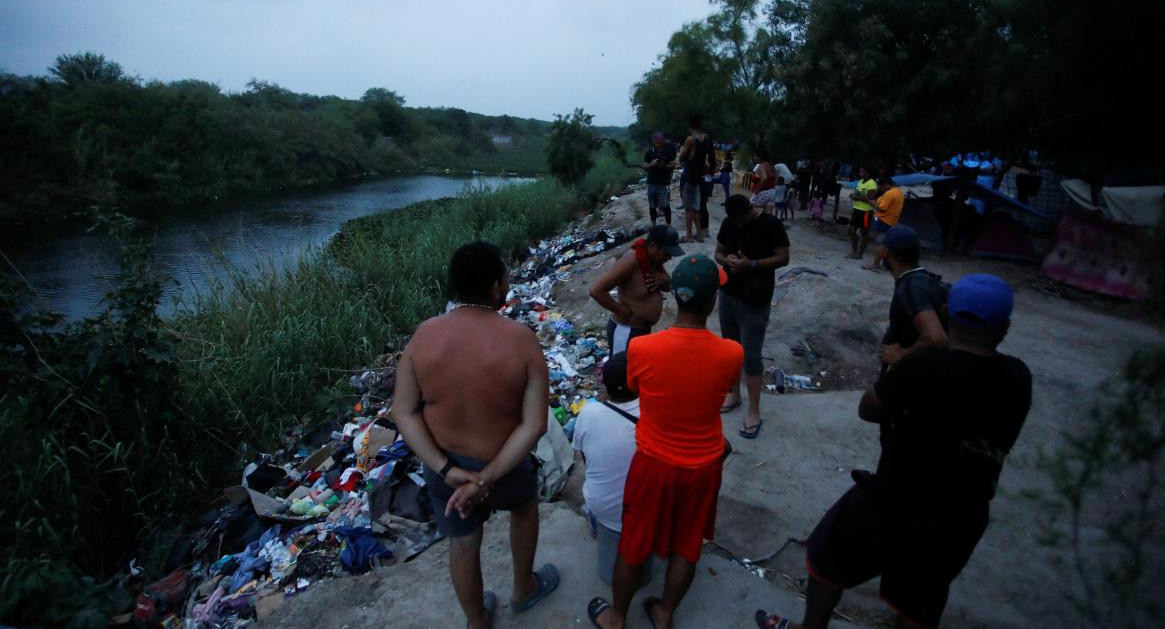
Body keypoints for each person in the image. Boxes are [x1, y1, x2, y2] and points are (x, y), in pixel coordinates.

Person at [755, 274, 1032, 629]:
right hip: (962, 514)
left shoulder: (923, 367)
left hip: (896, 498)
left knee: (827, 554)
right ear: (1005, 326)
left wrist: (901, 361)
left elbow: (868, 409)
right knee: (919, 599)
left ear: (947, 312)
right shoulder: (1016, 376)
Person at [392, 241, 559, 629]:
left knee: (463, 541)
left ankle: (477, 621)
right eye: (506, 276)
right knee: (523, 508)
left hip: (445, 468)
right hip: (504, 466)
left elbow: (403, 411)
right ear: (495, 287)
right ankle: (523, 589)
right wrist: (486, 478)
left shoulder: (424, 335)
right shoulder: (520, 340)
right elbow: (534, 426)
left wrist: (448, 469)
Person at [587, 254, 744, 629]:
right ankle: (664, 612)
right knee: (687, 546)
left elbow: (637, 391)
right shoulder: (732, 353)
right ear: (711, 302)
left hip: (654, 464)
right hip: (704, 466)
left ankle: (617, 618)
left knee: (635, 542)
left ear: (677, 299)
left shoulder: (642, 350)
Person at [571, 352, 654, 586]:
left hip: (604, 506)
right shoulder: (657, 411)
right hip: (651, 509)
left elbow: (586, 459)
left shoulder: (589, 413)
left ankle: (598, 524)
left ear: (605, 387)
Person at [714, 194, 791, 438]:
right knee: (730, 350)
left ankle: (754, 411)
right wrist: (728, 260)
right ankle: (734, 394)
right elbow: (717, 253)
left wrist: (753, 265)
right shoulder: (730, 223)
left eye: (740, 220)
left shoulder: (770, 224)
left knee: (752, 356)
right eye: (733, 221)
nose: (737, 225)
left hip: (755, 299)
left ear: (750, 210)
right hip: (728, 294)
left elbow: (783, 256)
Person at [589, 225, 684, 354]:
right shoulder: (631, 260)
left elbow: (668, 287)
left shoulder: (654, 261)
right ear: (654, 246)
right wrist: (620, 310)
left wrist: (665, 280)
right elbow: (596, 290)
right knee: (621, 372)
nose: (669, 258)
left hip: (642, 331)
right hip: (625, 330)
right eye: (667, 253)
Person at [876, 226, 948, 371]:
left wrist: (902, 355)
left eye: (879, 246)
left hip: (912, 373)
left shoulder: (911, 286)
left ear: (886, 252)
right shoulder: (920, 279)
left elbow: (936, 338)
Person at [676, 115, 714, 243]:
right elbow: (704, 158)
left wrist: (682, 150)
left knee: (688, 208)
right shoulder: (706, 138)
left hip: (689, 177)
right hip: (699, 177)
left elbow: (681, 158)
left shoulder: (690, 139)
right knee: (697, 207)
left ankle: (689, 235)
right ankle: (699, 234)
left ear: (690, 126)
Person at [866, 177, 905, 271]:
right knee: (886, 243)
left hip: (883, 220)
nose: (881, 189)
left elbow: (882, 208)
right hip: (891, 220)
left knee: (880, 243)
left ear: (887, 184)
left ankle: (875, 264)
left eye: (882, 187)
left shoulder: (889, 193)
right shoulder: (899, 192)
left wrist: (871, 203)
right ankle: (884, 264)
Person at [643, 132, 677, 226]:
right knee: (652, 206)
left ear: (662, 140)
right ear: (652, 141)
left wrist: (663, 165)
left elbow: (673, 165)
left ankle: (668, 226)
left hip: (663, 183)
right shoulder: (649, 153)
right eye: (655, 139)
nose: (657, 141)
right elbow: (645, 167)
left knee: (665, 205)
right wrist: (651, 164)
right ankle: (653, 226)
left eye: (658, 139)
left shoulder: (668, 152)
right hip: (651, 182)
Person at [846, 167, 877, 260]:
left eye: (862, 171)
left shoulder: (871, 183)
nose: (860, 173)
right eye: (860, 171)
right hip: (857, 209)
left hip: (865, 211)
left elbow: (871, 197)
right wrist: (854, 197)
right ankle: (854, 251)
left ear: (868, 173)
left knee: (864, 232)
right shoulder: (860, 182)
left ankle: (860, 253)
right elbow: (858, 194)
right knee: (851, 231)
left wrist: (856, 198)